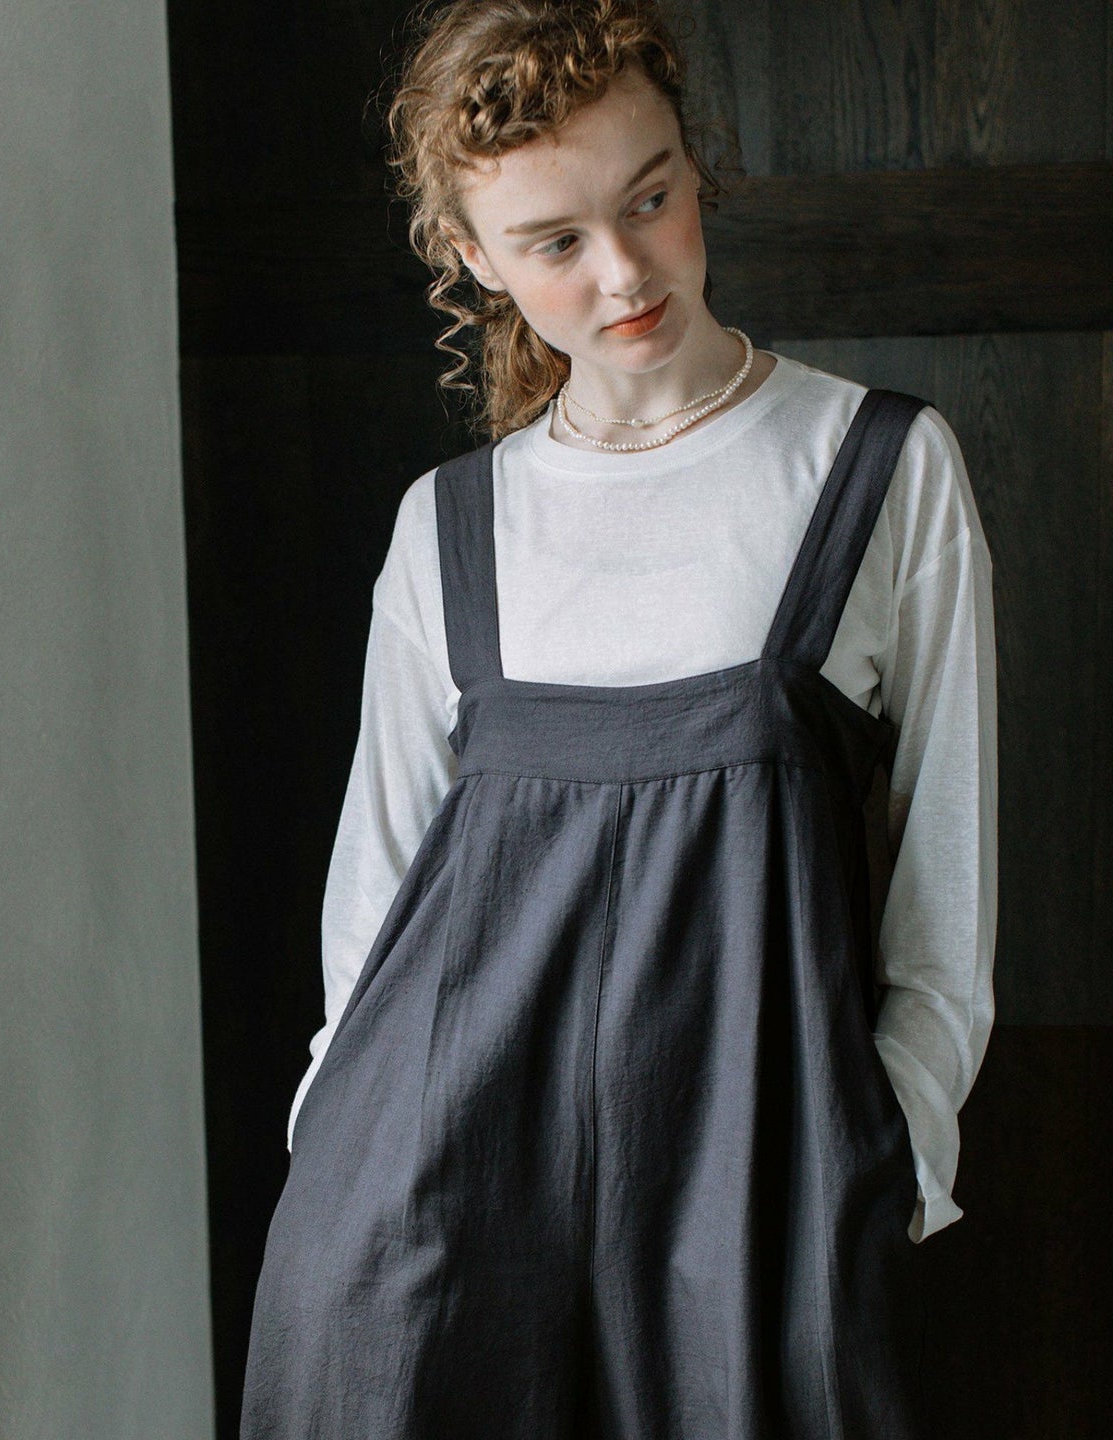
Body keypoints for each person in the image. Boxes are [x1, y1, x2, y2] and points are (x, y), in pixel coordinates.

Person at [240, 1, 998, 1436]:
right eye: (556, 241)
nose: (625, 270)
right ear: (474, 256)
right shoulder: (450, 525)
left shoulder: (878, 465)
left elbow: (944, 887)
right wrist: (333, 1129)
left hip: (753, 1184)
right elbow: (376, 892)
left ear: (696, 167)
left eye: (649, 199)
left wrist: (892, 1146)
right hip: (438, 1192)